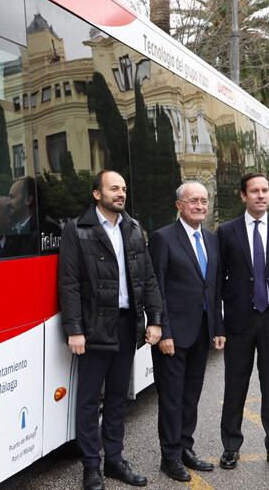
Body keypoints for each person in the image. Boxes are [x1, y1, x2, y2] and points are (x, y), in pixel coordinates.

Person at [57, 170, 163, 490]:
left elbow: (148, 278)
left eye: (124, 189)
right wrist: (75, 329)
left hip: (127, 323)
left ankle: (115, 460)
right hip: (93, 326)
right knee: (90, 400)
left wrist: (155, 318)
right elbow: (69, 284)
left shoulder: (132, 228)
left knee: (118, 397)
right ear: (97, 194)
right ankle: (91, 467)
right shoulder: (77, 230)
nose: (121, 193)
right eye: (113, 188)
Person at [216, 173, 269, 475]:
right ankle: (230, 446)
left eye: (265, 190)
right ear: (243, 196)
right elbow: (217, 278)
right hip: (239, 318)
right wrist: (218, 323)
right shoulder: (226, 232)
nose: (261, 196)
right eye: (254, 191)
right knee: (235, 384)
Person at [148, 182, 225, 482]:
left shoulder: (211, 238)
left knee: (191, 396)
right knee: (171, 398)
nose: (200, 206)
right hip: (173, 335)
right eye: (193, 201)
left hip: (202, 332)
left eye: (204, 201)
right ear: (179, 205)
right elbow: (156, 290)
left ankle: (185, 448)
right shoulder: (162, 238)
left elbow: (214, 286)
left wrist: (218, 326)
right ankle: (170, 457)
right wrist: (163, 331)